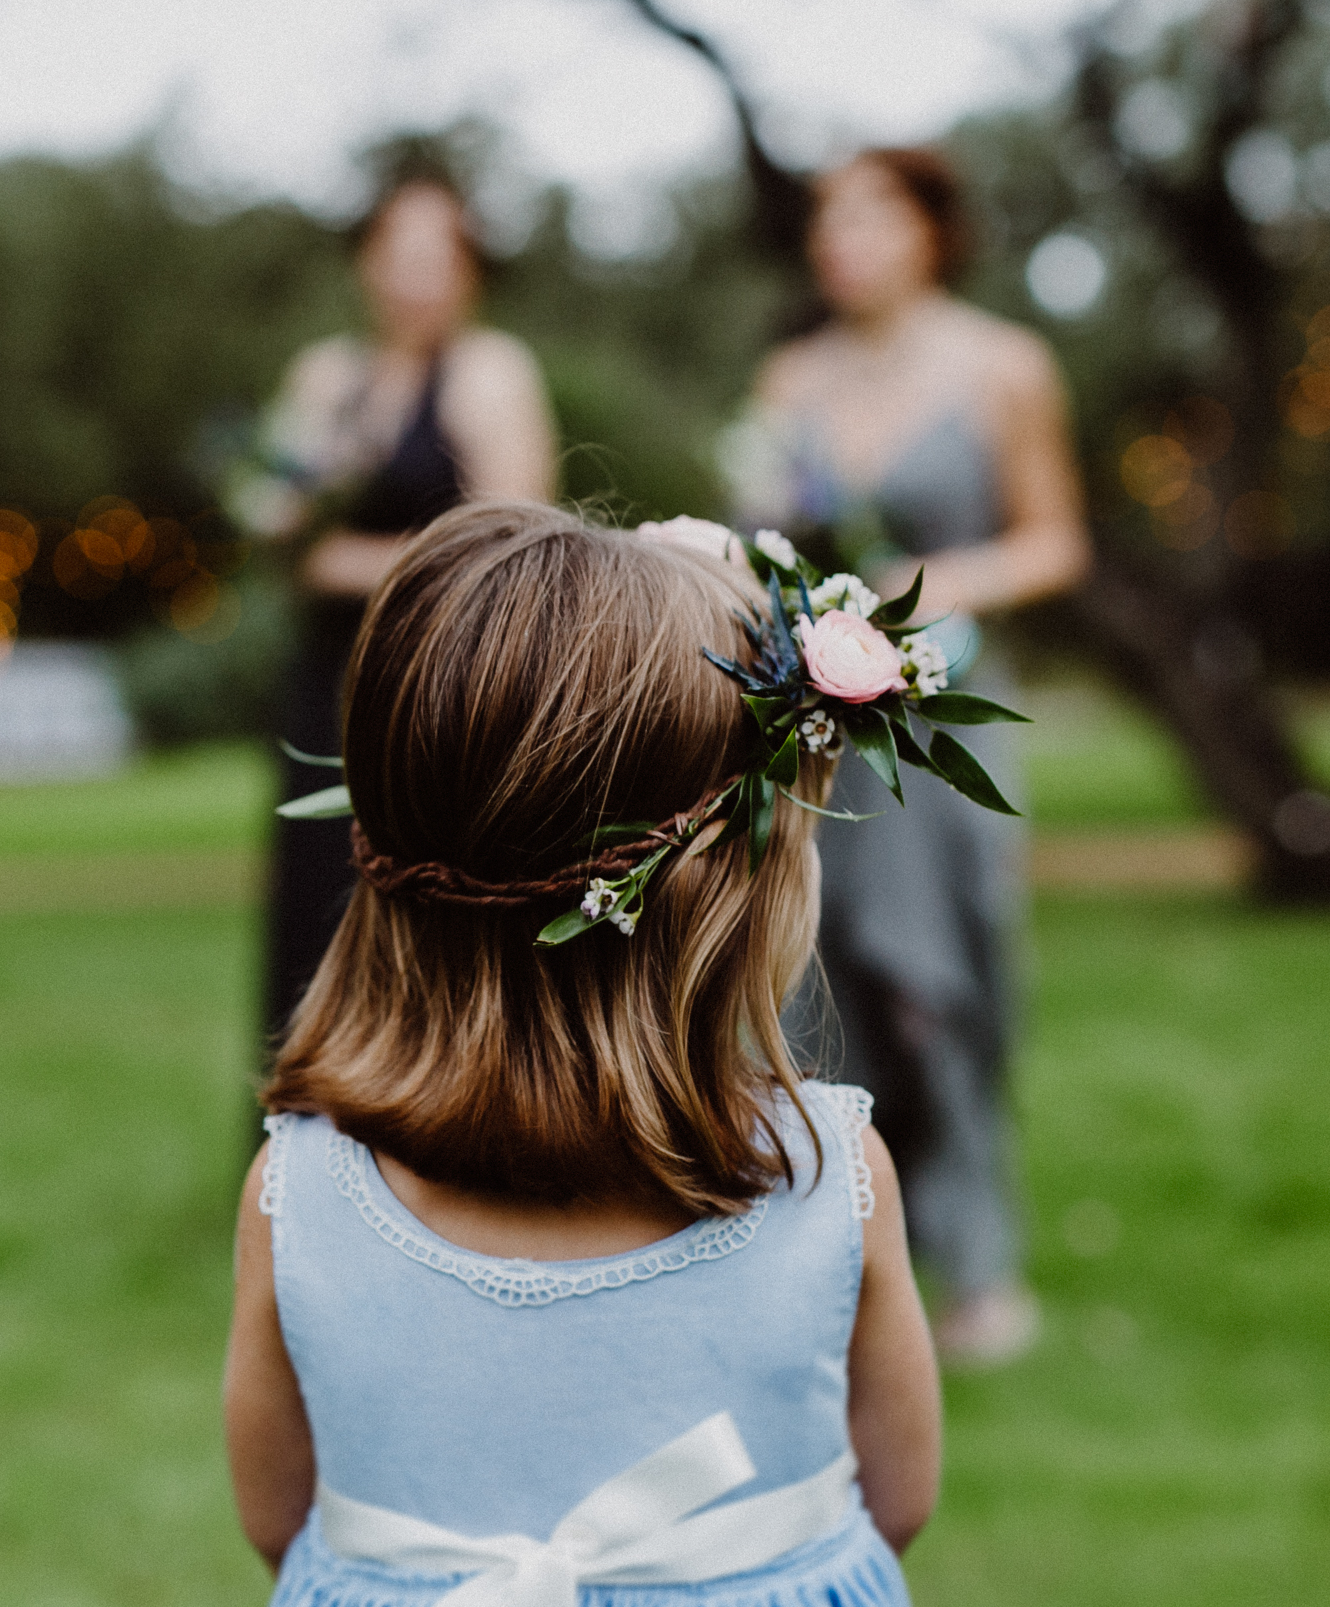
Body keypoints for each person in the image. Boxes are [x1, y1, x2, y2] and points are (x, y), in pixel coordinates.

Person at [224, 503, 941, 1606]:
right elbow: (894, 1498)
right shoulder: (827, 1177)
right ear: (742, 882)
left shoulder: (299, 1197)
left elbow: (280, 1519)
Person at [732, 147, 1091, 1368]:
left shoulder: (1002, 367)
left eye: (871, 215)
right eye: (827, 219)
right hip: (823, 721)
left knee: (947, 981)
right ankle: (834, 1255)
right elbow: (763, 545)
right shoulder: (788, 379)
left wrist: (931, 592)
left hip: (943, 724)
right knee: (812, 979)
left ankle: (978, 1259)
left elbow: (1054, 543)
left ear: (931, 232)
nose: (841, 241)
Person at [250, 173, 558, 1055]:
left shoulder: (493, 372)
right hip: (330, 676)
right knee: (317, 891)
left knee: (429, 896)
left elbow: (518, 536)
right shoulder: (323, 373)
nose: (417, 273)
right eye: (399, 250)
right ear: (365, 261)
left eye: (440, 252)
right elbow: (272, 512)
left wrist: (345, 561)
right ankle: (305, 1125)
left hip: (440, 676)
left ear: (472, 269)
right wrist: (279, 525)